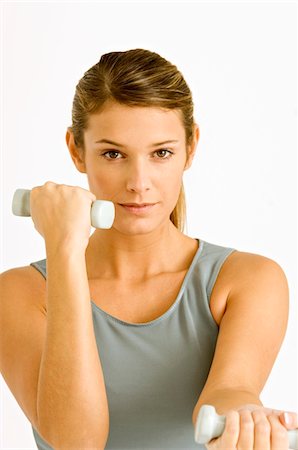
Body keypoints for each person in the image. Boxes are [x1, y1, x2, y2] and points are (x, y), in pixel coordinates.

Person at [0, 48, 297, 450]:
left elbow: (230, 389)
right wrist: (64, 248)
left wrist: (245, 418)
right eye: (113, 154)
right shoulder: (20, 293)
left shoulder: (248, 279)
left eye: (161, 153)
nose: (139, 182)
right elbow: (75, 442)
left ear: (190, 147)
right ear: (76, 150)